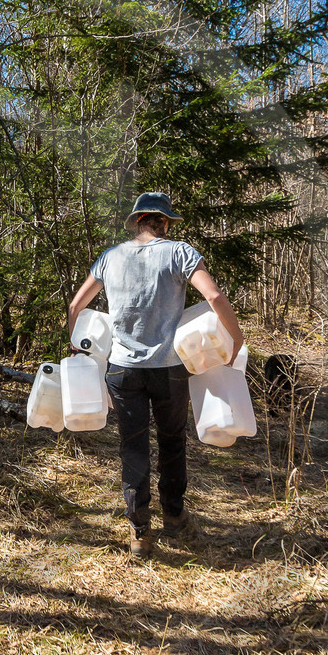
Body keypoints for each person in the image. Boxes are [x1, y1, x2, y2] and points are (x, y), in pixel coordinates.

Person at [66, 192, 245, 558]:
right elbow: (213, 297)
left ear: (138, 221)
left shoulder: (110, 257)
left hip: (122, 369)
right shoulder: (179, 252)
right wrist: (236, 337)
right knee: (172, 441)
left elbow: (75, 304)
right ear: (162, 223)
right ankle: (175, 516)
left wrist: (75, 343)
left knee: (132, 447)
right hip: (169, 368)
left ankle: (139, 532)